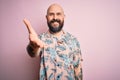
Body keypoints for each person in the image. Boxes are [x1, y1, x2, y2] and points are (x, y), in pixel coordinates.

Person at [23, 3, 83, 80]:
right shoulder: (40, 39)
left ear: (64, 17)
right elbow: (32, 53)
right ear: (46, 17)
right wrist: (33, 46)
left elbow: (78, 69)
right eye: (51, 14)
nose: (55, 17)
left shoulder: (73, 41)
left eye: (58, 14)